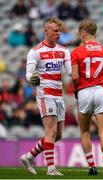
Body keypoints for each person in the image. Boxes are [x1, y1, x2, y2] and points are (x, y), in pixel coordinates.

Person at [20, 17, 71, 176]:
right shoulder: (35, 51)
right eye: (55, 31)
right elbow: (28, 74)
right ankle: (51, 169)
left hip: (59, 94)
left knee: (58, 135)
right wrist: (32, 78)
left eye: (59, 31)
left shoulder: (64, 50)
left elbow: (69, 72)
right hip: (44, 94)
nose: (58, 33)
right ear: (46, 31)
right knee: (51, 132)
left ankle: (28, 156)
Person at [71, 19, 103, 176]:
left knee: (85, 131)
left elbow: (75, 77)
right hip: (101, 91)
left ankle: (92, 167)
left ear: (83, 35)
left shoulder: (76, 52)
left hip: (84, 91)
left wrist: (77, 91)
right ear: (94, 34)